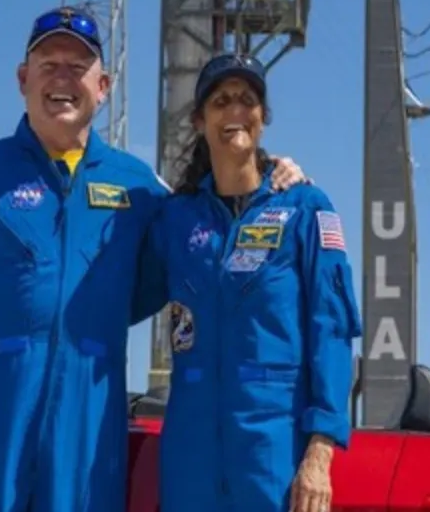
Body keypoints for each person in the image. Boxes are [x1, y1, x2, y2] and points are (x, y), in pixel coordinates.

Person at [0, 6, 308, 512]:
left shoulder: (140, 188)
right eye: (49, 65)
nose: (62, 79)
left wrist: (272, 176)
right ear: (23, 79)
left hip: (88, 423)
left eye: (78, 67)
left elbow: (212, 225)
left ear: (104, 85)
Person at [132, 52, 363, 512]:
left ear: (263, 117)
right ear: (200, 119)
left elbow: (332, 334)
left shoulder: (305, 208)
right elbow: (121, 295)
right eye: (221, 101)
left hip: (274, 449)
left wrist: (319, 453)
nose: (235, 111)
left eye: (247, 100)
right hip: (190, 452)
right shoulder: (175, 219)